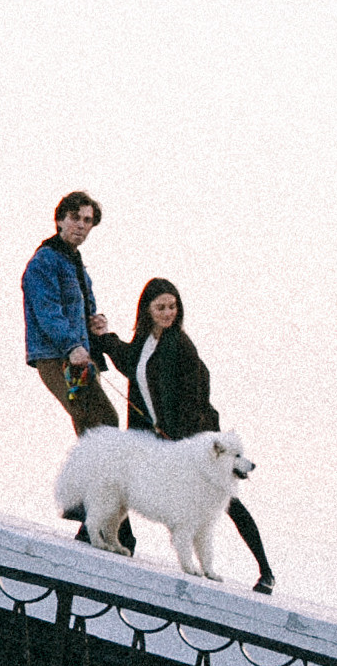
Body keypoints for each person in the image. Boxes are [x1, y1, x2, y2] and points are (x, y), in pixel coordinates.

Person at [121, 277, 275, 593]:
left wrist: (183, 437)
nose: (168, 313)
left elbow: (196, 391)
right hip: (167, 437)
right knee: (131, 474)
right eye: (161, 307)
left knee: (225, 498)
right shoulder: (148, 340)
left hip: (194, 437)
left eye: (173, 306)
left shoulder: (178, 343)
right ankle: (120, 536)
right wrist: (103, 336)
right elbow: (129, 362)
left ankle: (265, 571)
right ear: (147, 310)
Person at [23, 189, 134, 547]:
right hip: (56, 357)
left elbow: (79, 308)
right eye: (76, 218)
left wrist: (95, 324)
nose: (82, 227)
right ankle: (89, 509)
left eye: (88, 221)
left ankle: (96, 517)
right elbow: (47, 310)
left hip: (77, 356)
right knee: (98, 422)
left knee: (97, 426)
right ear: (60, 219)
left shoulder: (74, 262)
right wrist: (72, 345)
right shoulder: (46, 260)